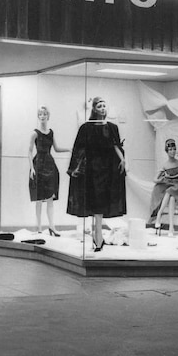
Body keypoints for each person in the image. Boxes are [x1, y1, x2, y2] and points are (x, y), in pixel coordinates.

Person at [66, 96, 126, 252]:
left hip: (107, 170)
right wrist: (77, 168)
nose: (103, 108)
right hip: (92, 171)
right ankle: (98, 236)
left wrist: (124, 161)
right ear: (94, 109)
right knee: (95, 203)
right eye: (100, 106)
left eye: (105, 105)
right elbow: (79, 149)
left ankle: (97, 235)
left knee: (101, 203)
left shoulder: (112, 127)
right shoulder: (86, 128)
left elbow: (116, 145)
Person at [29, 105, 71, 236]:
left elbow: (56, 148)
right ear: (38, 116)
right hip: (38, 164)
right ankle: (39, 227)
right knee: (38, 198)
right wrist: (31, 168)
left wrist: (69, 149)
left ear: (48, 116)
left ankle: (52, 226)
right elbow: (29, 151)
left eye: (44, 114)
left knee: (50, 198)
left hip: (50, 165)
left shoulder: (51, 133)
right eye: (40, 114)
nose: (42, 116)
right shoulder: (34, 133)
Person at [148, 138, 178, 237]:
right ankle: (171, 228)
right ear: (167, 151)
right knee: (171, 196)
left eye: (174, 149)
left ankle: (159, 214)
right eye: (170, 150)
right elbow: (155, 179)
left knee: (170, 191)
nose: (172, 151)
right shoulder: (165, 165)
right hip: (171, 190)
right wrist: (160, 180)